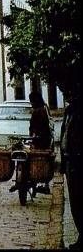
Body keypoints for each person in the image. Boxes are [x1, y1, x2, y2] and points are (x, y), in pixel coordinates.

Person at [61, 99, 82, 250]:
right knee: (74, 202)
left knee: (79, 201)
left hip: (77, 161)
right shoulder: (68, 112)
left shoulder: (79, 113)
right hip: (69, 160)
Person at [28, 91, 54, 195]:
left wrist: (32, 135)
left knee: (34, 160)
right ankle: (46, 185)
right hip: (47, 138)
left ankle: (34, 183)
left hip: (39, 139)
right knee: (45, 160)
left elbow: (33, 126)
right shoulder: (45, 108)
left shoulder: (37, 111)